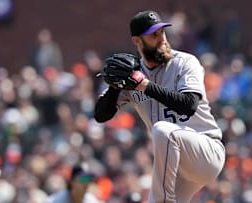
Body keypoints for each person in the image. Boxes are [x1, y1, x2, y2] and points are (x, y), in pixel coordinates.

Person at [94, 10, 225, 203]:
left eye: (162, 32)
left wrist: (143, 85)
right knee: (163, 132)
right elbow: (100, 115)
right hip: (178, 167)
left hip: (206, 151)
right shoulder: (134, 74)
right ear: (137, 41)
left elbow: (188, 105)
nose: (162, 38)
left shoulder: (185, 63)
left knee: (162, 130)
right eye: (154, 35)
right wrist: (116, 87)